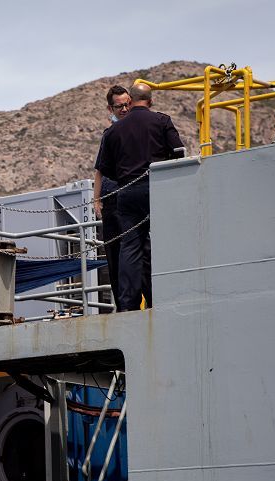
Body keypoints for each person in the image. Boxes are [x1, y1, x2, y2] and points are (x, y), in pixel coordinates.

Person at [95, 83, 183, 311]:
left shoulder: (113, 131)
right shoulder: (162, 120)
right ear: (150, 101)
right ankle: (168, 295)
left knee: (130, 247)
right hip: (158, 188)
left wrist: (126, 177)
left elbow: (106, 169)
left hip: (127, 192)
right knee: (167, 241)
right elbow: (179, 153)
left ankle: (128, 304)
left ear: (132, 102)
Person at [94, 84, 132, 310]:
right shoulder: (109, 135)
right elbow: (99, 169)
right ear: (111, 108)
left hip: (132, 197)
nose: (124, 109)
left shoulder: (137, 129)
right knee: (115, 255)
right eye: (119, 106)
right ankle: (123, 305)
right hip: (112, 199)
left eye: (127, 104)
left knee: (138, 254)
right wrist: (96, 199)